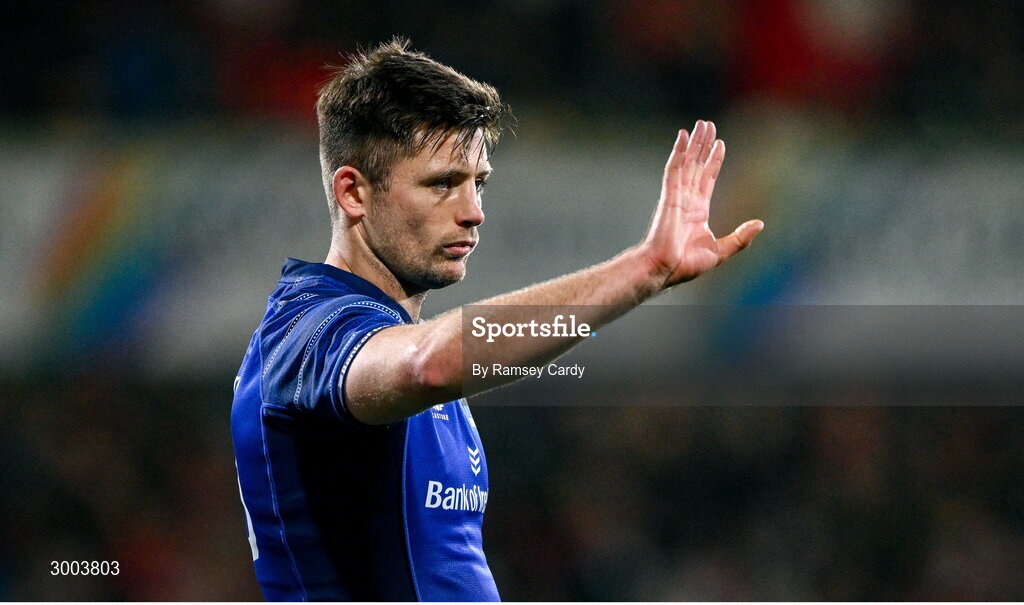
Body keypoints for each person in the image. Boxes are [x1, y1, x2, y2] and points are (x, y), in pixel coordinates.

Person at [231, 38, 763, 601]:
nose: (473, 211)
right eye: (441, 184)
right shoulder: (307, 332)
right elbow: (426, 365)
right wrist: (643, 270)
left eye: (477, 182)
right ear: (354, 192)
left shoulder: (393, 340)